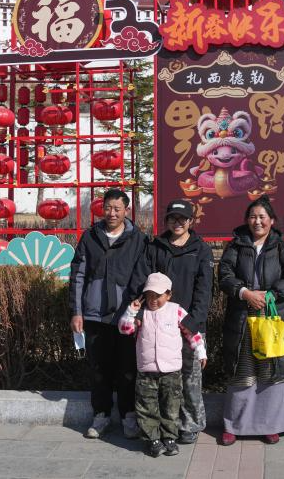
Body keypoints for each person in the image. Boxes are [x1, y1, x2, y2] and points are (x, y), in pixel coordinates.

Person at [217, 195, 284, 445]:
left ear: (271, 220)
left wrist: (271, 295)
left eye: (262, 217)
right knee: (241, 373)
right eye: (253, 216)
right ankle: (234, 425)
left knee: (271, 374)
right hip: (242, 316)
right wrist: (244, 293)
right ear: (247, 220)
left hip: (273, 315)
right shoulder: (236, 245)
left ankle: (270, 425)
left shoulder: (281, 246)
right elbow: (224, 274)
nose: (257, 221)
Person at [127, 200, 214, 444]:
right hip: (157, 324)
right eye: (173, 218)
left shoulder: (201, 249)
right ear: (166, 221)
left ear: (191, 221)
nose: (178, 223)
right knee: (161, 381)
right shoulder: (155, 246)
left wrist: (193, 321)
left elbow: (204, 289)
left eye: (183, 218)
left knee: (189, 378)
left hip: (188, 325)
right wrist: (140, 311)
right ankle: (166, 426)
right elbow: (140, 280)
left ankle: (191, 424)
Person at [69, 188, 147, 440]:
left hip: (126, 316)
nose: (111, 213)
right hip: (94, 315)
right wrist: (77, 311)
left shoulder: (139, 240)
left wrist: (137, 311)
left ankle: (128, 416)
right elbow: (78, 275)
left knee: (127, 369)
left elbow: (143, 278)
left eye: (117, 208)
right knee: (99, 369)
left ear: (126, 210)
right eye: (107, 208)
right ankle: (101, 415)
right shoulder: (90, 236)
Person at [118, 272, 207, 457]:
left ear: (168, 295)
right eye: (149, 296)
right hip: (146, 370)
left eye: (157, 296)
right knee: (146, 406)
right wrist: (131, 311)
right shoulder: (141, 312)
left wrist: (200, 351)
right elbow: (125, 329)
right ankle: (153, 440)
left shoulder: (176, 311)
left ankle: (170, 438)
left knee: (171, 405)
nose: (153, 301)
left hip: (171, 371)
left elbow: (192, 333)